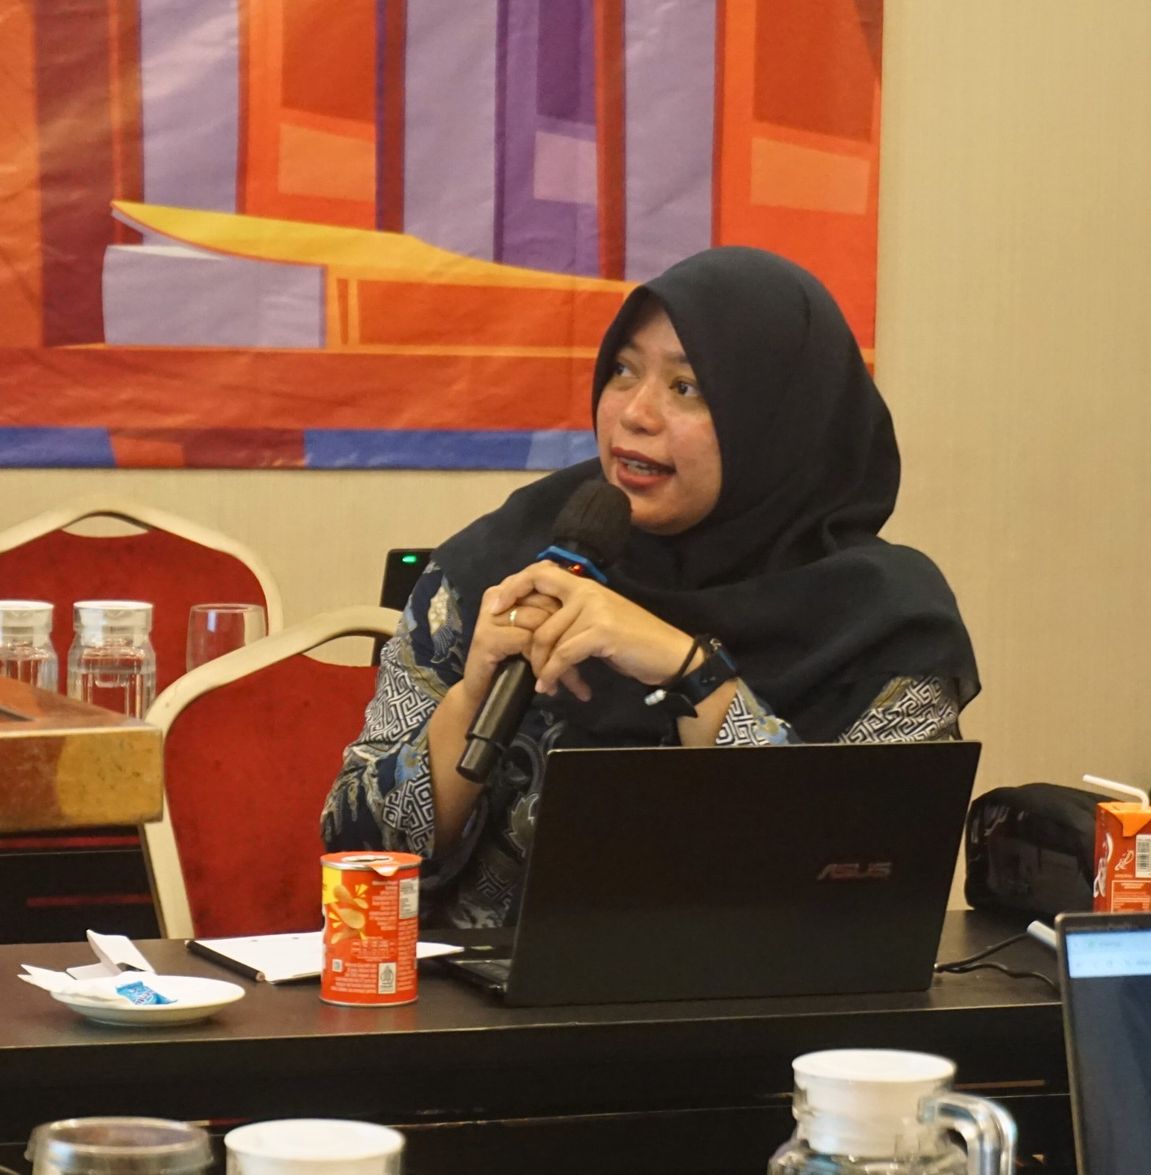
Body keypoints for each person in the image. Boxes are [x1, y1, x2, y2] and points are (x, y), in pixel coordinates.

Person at [322, 246, 979, 927]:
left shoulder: (885, 625)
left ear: (779, 420)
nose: (635, 413)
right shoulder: (495, 566)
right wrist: (471, 697)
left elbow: (866, 891)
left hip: (763, 994)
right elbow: (353, 861)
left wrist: (695, 674)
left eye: (686, 387)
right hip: (475, 989)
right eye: (623, 371)